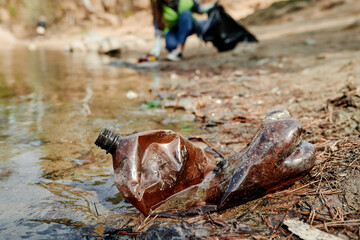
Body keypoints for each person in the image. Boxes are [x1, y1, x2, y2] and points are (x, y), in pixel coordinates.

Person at [150, 0, 214, 61]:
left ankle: (179, 49)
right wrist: (157, 46)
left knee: (185, 14)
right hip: (174, 29)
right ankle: (176, 50)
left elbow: (199, 8)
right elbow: (158, 25)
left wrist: (210, 7)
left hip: (189, 25)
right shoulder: (158, 4)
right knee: (171, 45)